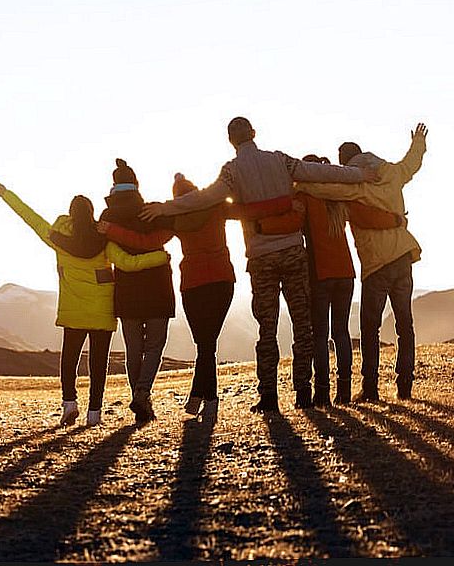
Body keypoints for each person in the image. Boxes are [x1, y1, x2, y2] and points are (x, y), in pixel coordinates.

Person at [139, 116, 377, 414]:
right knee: (302, 327)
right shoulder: (280, 161)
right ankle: (304, 393)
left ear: (231, 140)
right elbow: (318, 172)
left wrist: (166, 207)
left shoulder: (231, 172)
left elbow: (202, 200)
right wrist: (358, 175)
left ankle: (269, 397)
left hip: (261, 258)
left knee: (267, 328)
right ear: (254, 133)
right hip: (293, 251)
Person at [0, 179, 170, 427]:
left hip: (73, 311)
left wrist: (6, 194)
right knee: (98, 364)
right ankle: (94, 414)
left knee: (70, 359)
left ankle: (69, 404)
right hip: (102, 311)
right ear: (92, 214)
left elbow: (30, 217)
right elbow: (129, 263)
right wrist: (159, 257)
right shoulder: (104, 240)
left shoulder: (56, 237)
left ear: (71, 215)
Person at [296, 122, 427, 402]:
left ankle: (370, 388)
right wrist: (418, 142)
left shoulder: (356, 185)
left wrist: (299, 181)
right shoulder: (392, 173)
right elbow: (411, 163)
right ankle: (405, 388)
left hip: (377, 264)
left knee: (370, 328)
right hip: (403, 256)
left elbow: (328, 191)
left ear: (344, 163)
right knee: (405, 324)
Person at [100, 172, 238, 420]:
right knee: (193, 346)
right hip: (208, 281)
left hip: (187, 284)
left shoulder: (172, 217)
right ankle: (196, 399)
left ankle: (162, 396)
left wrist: (112, 231)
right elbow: (241, 208)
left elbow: (143, 242)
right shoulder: (209, 209)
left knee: (138, 348)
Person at [97, 159, 176, 425]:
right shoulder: (152, 212)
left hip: (127, 292)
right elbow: (168, 232)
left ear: (114, 187)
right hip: (157, 289)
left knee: (134, 347)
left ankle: (138, 394)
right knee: (154, 345)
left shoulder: (107, 218)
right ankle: (143, 393)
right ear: (136, 185)